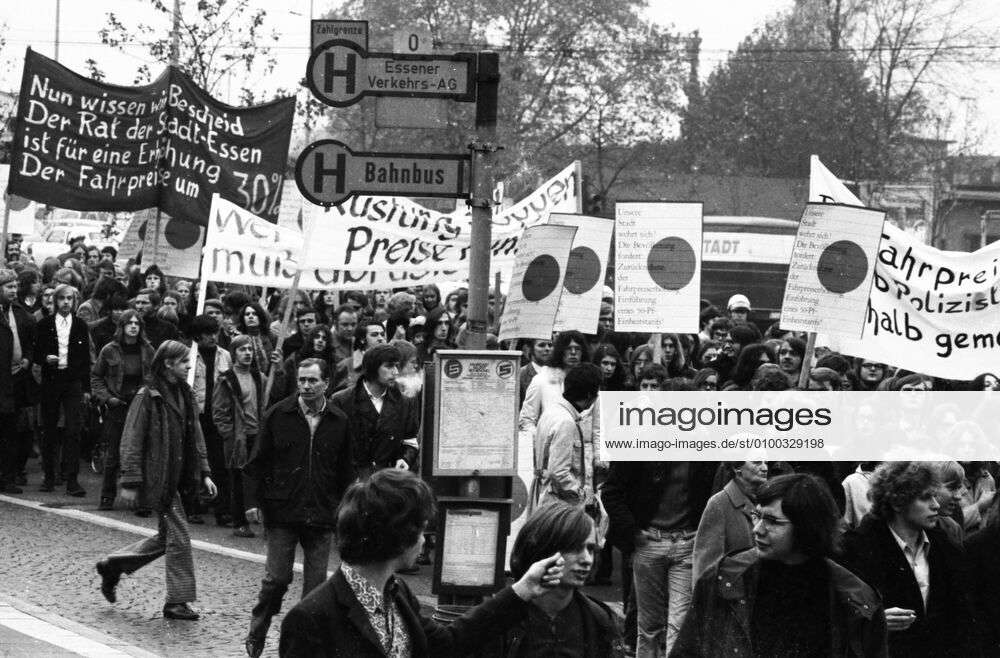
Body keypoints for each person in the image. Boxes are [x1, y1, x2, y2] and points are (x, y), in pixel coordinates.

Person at [278, 469, 571, 657]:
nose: (423, 539)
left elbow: (447, 642)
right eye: (420, 529)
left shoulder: (396, 593)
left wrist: (523, 589)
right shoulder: (310, 618)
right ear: (397, 536)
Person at [671, 473, 888, 657]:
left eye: (772, 521)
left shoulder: (855, 598)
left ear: (807, 528)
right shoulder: (723, 578)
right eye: (758, 516)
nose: (757, 529)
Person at [95, 340, 217, 621]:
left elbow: (195, 434)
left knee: (167, 537)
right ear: (168, 364)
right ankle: (177, 601)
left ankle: (112, 566)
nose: (190, 366)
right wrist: (130, 481)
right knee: (180, 536)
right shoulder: (147, 396)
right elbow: (131, 439)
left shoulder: (184, 393)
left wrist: (205, 471)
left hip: (178, 476)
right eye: (185, 361)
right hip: (158, 477)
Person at [242, 357, 354, 657]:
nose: (305, 386)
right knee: (276, 579)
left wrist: (342, 509)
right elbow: (257, 463)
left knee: (316, 590)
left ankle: (302, 648)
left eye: (312, 380)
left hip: (321, 514)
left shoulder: (339, 420)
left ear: (326, 383)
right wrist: (252, 503)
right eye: (301, 380)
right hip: (283, 512)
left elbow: (345, 471)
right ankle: (259, 626)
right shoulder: (279, 414)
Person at [839, 462, 978, 657]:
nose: (936, 505)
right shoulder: (855, 549)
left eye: (935, 496)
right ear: (897, 502)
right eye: (925, 498)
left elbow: (963, 615)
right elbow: (837, 619)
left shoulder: (946, 546)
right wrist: (874, 622)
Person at [602, 458, 719, 656]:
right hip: (649, 542)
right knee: (649, 626)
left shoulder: (702, 448)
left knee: (679, 623)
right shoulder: (643, 445)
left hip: (686, 542)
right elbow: (611, 492)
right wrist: (633, 531)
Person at [502, 503, 625, 657]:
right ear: (544, 548)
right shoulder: (502, 617)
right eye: (575, 548)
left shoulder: (599, 619)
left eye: (590, 549)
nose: (587, 559)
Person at [91, 310, 154, 510]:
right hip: (118, 405)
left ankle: (141, 499)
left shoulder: (148, 350)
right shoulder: (110, 350)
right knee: (114, 454)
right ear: (122, 326)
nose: (133, 326)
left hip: (140, 405)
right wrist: (107, 398)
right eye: (129, 323)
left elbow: (154, 377)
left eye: (137, 323)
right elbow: (96, 377)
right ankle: (107, 496)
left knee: (141, 452)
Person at [32, 283, 91, 496]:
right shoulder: (45, 324)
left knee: (73, 430)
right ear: (55, 301)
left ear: (75, 302)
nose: (66, 302)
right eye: (62, 298)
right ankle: (49, 477)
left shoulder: (81, 325)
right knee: (49, 429)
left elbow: (85, 358)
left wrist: (86, 387)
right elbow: (36, 352)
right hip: (51, 380)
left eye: (70, 299)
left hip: (72, 381)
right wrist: (45, 358)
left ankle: (72, 480)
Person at [330, 344, 419, 480]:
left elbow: (410, 441)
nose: (395, 372)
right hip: (352, 482)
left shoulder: (405, 403)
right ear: (373, 368)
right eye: (389, 366)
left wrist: (404, 459)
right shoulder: (342, 400)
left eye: (396, 366)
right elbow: (332, 445)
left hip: (388, 480)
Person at [212, 335, 264, 539]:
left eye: (250, 349)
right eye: (242, 349)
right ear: (234, 354)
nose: (247, 353)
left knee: (260, 477)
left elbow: (272, 393)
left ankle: (259, 518)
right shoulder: (226, 379)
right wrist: (229, 435)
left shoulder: (258, 376)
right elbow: (219, 412)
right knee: (238, 480)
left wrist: (278, 368)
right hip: (237, 438)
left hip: (257, 434)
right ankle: (239, 522)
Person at [535, 363, 602, 509]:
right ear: (590, 396)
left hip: (545, 497)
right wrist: (580, 494)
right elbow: (558, 472)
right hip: (560, 505)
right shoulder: (566, 422)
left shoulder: (551, 411)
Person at [692, 460, 767, 579]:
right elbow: (704, 568)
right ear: (737, 468)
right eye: (757, 463)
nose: (764, 468)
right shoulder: (719, 503)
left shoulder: (769, 501)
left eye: (766, 463)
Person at [0, 268, 36, 494]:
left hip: (16, 381)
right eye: (8, 287)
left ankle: (8, 477)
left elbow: (31, 342)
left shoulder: (21, 313)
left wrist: (27, 359)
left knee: (12, 432)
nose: (14, 291)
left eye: (15, 286)